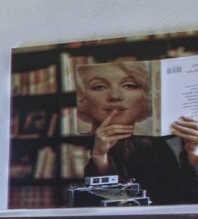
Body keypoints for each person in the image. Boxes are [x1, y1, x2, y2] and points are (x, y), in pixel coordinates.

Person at [78, 57, 198, 205]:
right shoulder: (102, 142)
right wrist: (99, 156)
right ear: (84, 98)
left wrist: (193, 156)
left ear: (148, 94)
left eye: (129, 85)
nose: (115, 96)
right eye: (100, 87)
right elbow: (98, 202)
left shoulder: (182, 136)